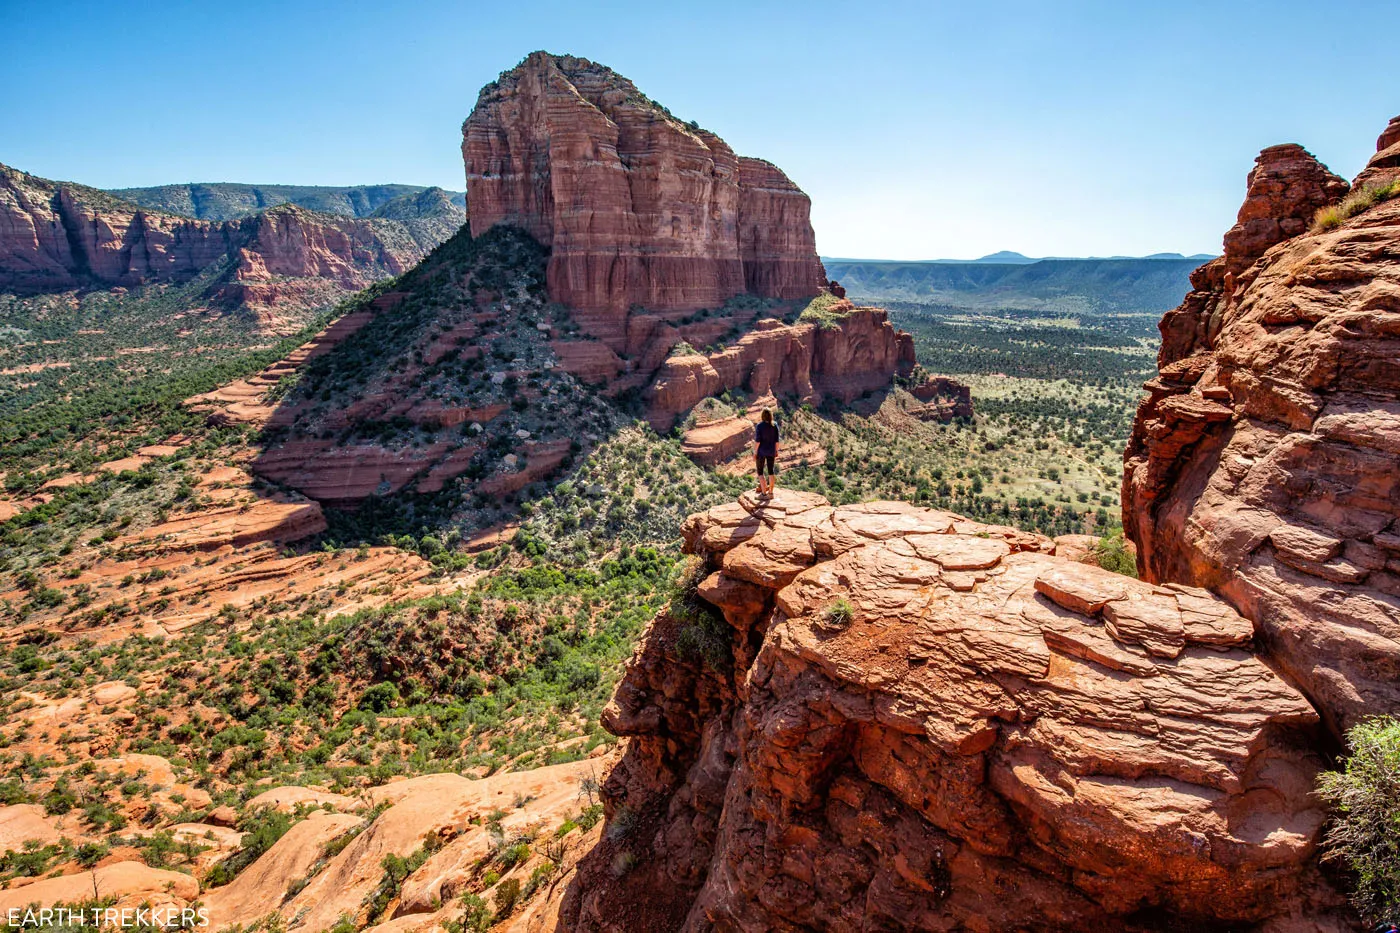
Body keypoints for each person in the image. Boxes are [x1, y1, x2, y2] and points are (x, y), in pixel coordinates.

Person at [753, 409, 779, 497]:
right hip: (771, 451)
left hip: (761, 452)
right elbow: (777, 441)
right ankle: (771, 492)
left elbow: (757, 441)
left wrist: (755, 452)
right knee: (771, 471)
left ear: (762, 416)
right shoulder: (774, 425)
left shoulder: (760, 426)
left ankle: (763, 493)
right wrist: (776, 451)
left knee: (760, 472)